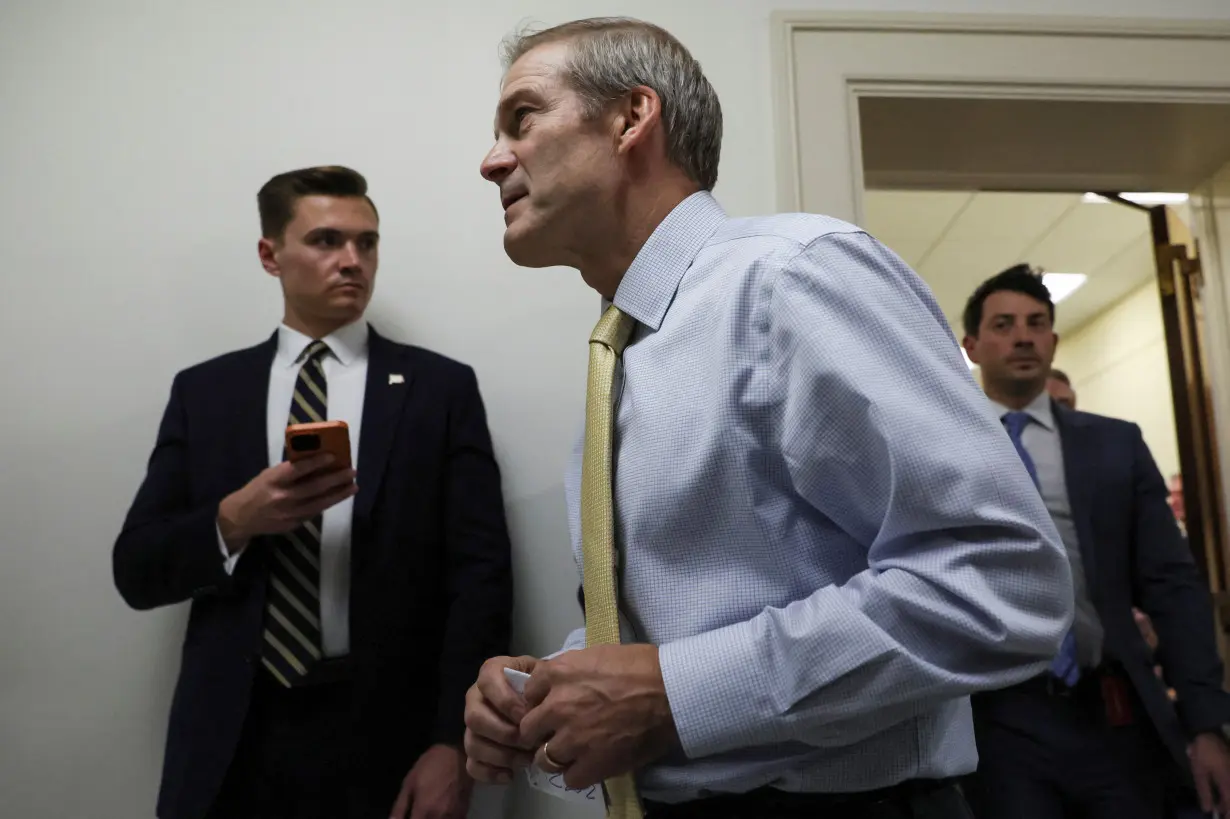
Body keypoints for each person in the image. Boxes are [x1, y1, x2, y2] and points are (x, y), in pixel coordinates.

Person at [463, 17, 1073, 819]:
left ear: (630, 118)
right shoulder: (623, 354)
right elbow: (700, 624)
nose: (491, 160)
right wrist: (548, 693)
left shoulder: (791, 279)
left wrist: (679, 693)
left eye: (522, 118)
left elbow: (1002, 577)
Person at [113, 166, 513, 819]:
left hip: (387, 735)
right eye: (326, 240)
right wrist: (233, 520)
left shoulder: (438, 391)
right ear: (271, 255)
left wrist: (451, 743)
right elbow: (135, 568)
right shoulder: (207, 394)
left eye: (368, 242)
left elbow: (481, 579)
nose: (352, 261)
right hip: (232, 737)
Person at [959, 264, 1230, 819]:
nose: (1023, 336)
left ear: (1053, 342)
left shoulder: (1114, 446)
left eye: (1037, 324)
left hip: (1110, 710)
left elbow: (1171, 585)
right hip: (995, 718)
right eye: (1004, 324)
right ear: (972, 345)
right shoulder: (943, 446)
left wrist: (1207, 724)